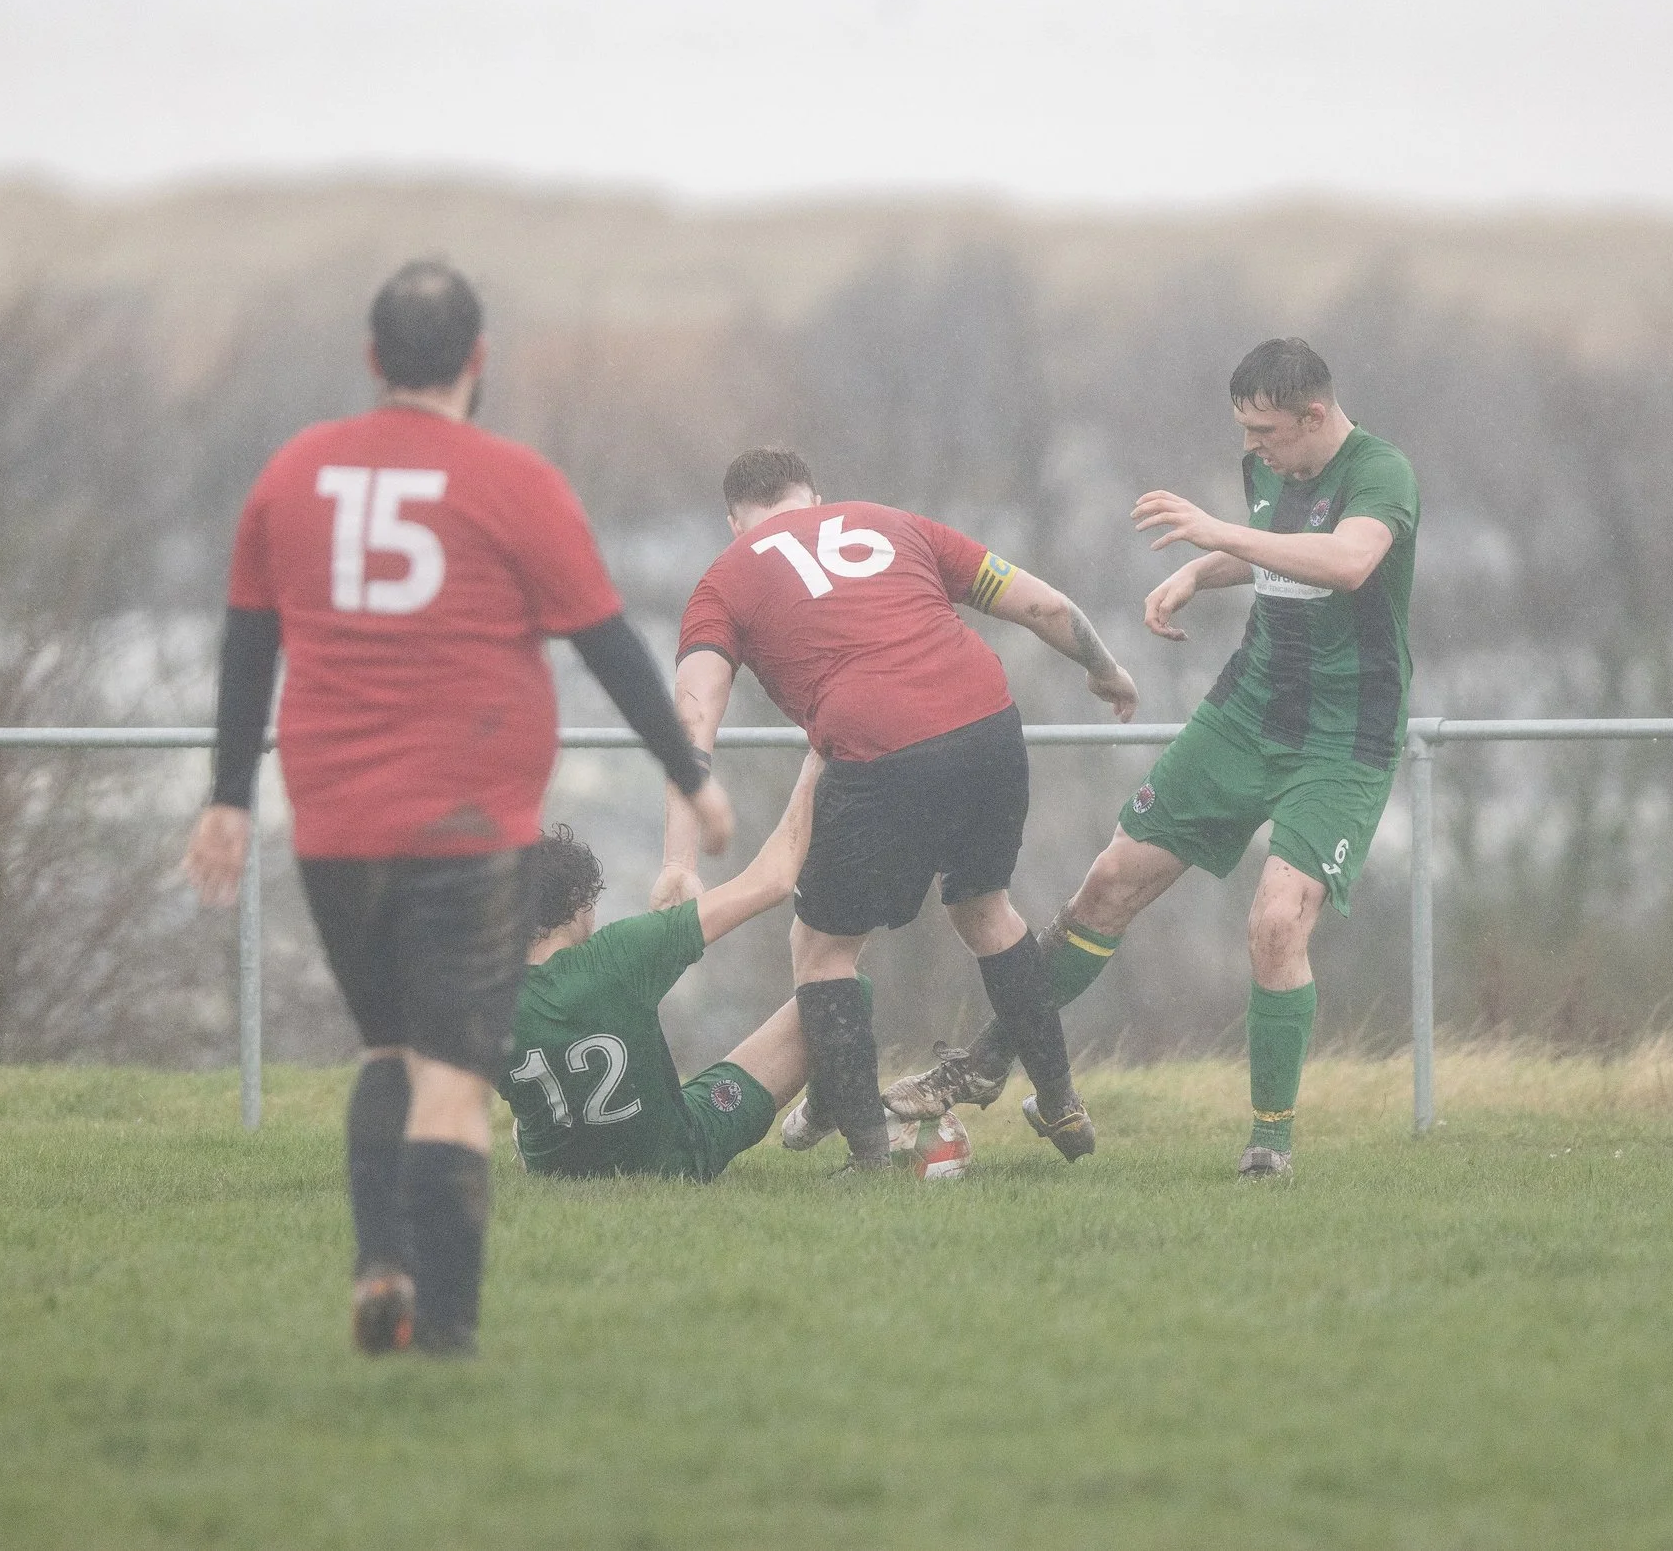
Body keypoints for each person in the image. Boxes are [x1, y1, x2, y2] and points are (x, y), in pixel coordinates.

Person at [181, 259, 733, 1357]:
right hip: (468, 834)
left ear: (374, 359)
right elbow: (609, 645)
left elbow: (248, 645)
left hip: (335, 829)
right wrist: (687, 769)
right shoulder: (513, 482)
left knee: (388, 1050)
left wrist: (229, 798)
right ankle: (446, 1339)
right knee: (453, 1083)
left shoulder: (293, 474)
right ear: (477, 362)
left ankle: (378, 1257)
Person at [886, 338, 1418, 1181]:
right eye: (1244, 432)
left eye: (1267, 432)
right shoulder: (1271, 469)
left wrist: (1218, 533)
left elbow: (1348, 561)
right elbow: (1274, 546)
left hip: (1342, 738)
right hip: (1245, 714)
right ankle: (988, 1064)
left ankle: (1268, 1145)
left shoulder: (1380, 472)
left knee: (1277, 923)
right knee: (1108, 882)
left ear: (1315, 416)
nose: (1253, 448)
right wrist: (1201, 575)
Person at [661, 448, 1139, 1173]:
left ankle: (869, 1156)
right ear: (815, 495)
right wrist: (1105, 670)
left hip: (882, 748)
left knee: (823, 951)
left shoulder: (724, 581)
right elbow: (1040, 603)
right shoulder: (892, 524)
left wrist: (679, 862)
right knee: (986, 912)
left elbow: (693, 720)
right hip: (988, 723)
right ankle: (1061, 1097)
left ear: (736, 522)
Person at [501, 755, 827, 1181]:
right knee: (841, 992)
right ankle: (824, 1111)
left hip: (553, 1170)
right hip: (676, 1159)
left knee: (529, 1111)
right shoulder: (621, 953)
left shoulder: (478, 991)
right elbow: (773, 881)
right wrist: (812, 769)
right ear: (579, 907)